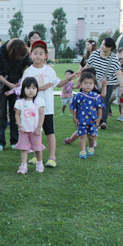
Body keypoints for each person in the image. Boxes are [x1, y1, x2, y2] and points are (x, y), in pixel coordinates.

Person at [22, 40, 76, 168]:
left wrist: (69, 78)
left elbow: (58, 83)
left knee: (49, 132)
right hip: (33, 108)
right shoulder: (28, 72)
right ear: (31, 55)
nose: (38, 56)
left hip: (47, 108)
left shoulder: (50, 71)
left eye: (41, 53)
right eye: (35, 53)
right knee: (36, 132)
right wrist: (41, 88)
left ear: (46, 56)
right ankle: (37, 155)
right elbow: (24, 89)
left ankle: (52, 157)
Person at [0, 38, 32, 151]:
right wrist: (9, 84)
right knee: (0, 113)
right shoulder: (0, 52)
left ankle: (15, 140)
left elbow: (28, 65)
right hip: (2, 85)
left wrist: (20, 81)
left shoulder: (23, 50)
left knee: (16, 113)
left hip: (18, 86)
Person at [85, 37, 123, 129]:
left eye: (105, 45)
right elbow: (87, 66)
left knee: (104, 101)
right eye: (102, 44)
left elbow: (119, 73)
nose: (102, 46)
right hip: (95, 82)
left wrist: (121, 86)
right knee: (93, 100)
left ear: (110, 47)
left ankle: (103, 121)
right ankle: (92, 118)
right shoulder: (95, 54)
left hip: (109, 82)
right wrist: (81, 77)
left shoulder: (113, 58)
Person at [64, 67, 107, 146]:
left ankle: (93, 142)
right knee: (82, 130)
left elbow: (103, 95)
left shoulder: (93, 89)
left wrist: (104, 86)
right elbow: (75, 105)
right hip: (83, 116)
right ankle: (71, 141)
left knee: (92, 130)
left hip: (92, 114)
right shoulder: (82, 92)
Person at [69, 73, 105, 159]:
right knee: (82, 136)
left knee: (91, 137)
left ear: (94, 85)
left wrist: (99, 119)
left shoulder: (96, 97)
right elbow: (74, 108)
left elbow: (100, 108)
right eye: (85, 83)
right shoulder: (78, 96)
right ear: (81, 84)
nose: (88, 86)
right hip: (81, 120)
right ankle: (82, 151)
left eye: (90, 84)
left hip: (92, 120)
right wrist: (74, 118)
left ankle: (91, 147)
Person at [14, 77, 45, 174]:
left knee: (38, 147)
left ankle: (39, 163)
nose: (31, 91)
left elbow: (42, 115)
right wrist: (20, 126)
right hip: (24, 130)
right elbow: (17, 115)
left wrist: (39, 127)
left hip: (36, 130)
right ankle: (23, 166)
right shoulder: (19, 102)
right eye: (28, 88)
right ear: (23, 89)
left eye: (34, 88)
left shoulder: (39, 101)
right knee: (24, 148)